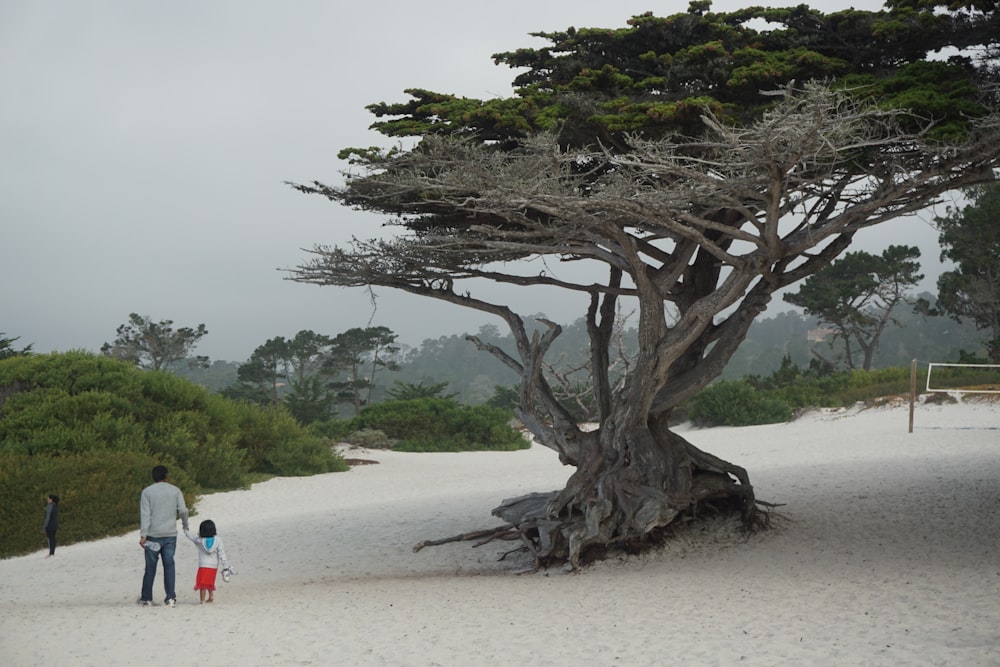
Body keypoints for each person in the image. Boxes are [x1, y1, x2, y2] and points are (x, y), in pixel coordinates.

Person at [139, 465, 189, 607]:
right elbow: (183, 510)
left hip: (152, 535)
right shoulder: (175, 490)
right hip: (170, 535)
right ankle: (170, 597)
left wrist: (143, 534)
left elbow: (145, 514)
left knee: (150, 567)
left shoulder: (147, 492)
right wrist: (185, 525)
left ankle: (147, 598)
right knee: (169, 565)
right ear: (166, 476)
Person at [183, 519, 232, 604]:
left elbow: (191, 537)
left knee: (202, 584)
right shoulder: (218, 540)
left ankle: (202, 600)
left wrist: (185, 529)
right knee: (210, 581)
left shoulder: (200, 540)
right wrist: (225, 566)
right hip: (214, 565)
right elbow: (222, 553)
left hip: (203, 564)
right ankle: (211, 596)